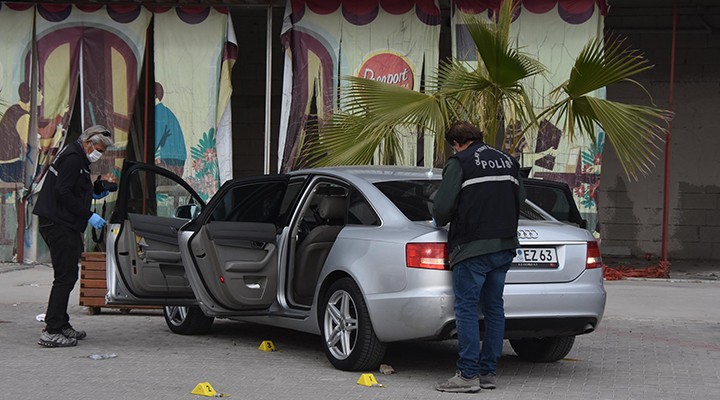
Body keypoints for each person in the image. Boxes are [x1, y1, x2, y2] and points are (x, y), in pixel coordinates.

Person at [432, 121, 524, 393]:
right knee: (495, 308)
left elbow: (443, 207)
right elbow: (521, 197)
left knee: (467, 308)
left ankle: (467, 374)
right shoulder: (507, 161)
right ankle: (488, 373)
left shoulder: (460, 162)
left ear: (456, 143)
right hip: (504, 245)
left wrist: (438, 219)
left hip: (472, 247)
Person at [32, 125, 114, 347]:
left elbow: (72, 188)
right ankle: (52, 330)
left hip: (63, 223)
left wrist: (95, 191)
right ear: (87, 142)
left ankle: (61, 323)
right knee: (65, 277)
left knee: (67, 275)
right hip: (58, 223)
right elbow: (63, 191)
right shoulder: (72, 157)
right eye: (98, 148)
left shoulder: (78, 159)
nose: (99, 154)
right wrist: (89, 215)